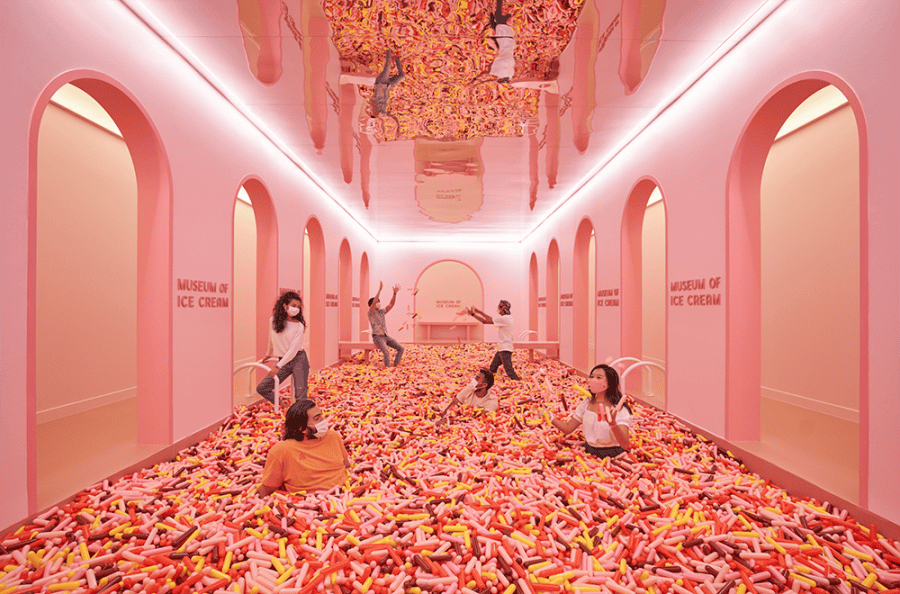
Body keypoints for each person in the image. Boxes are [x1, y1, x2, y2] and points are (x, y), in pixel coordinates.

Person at [258, 400, 351, 496]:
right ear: (302, 429)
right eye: (317, 418)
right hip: (307, 503)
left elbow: (346, 464)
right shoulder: (281, 451)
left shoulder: (333, 436)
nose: (323, 420)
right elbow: (268, 488)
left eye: (321, 415)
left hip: (345, 494)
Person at [547, 364, 632, 457]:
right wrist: (550, 416)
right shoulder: (586, 403)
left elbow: (625, 445)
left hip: (613, 455)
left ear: (609, 383)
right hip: (589, 452)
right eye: (592, 376)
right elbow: (568, 428)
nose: (593, 380)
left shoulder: (619, 409)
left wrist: (613, 424)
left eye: (599, 377)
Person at [257, 291, 309, 403]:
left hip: (299, 359)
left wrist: (278, 366)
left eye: (298, 307)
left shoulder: (299, 325)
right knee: (262, 388)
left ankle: (300, 417)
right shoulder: (273, 320)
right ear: (285, 305)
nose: (296, 309)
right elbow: (271, 339)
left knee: (300, 395)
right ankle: (282, 405)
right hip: (283, 360)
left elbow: (293, 350)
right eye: (293, 306)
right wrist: (268, 354)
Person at [466, 300, 521, 380]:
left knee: (509, 370)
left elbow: (485, 321)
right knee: (492, 367)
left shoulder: (505, 319)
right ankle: (490, 377)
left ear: (503, 309)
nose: (498, 309)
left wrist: (472, 314)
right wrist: (479, 312)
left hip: (505, 348)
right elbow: (490, 319)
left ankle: (517, 381)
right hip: (502, 348)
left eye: (499, 307)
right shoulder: (505, 318)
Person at [471, 0, 516, 85]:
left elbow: (488, 77)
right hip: (504, 40)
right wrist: (474, 81)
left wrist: (475, 81)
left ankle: (498, 15)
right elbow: (486, 75)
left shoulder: (508, 73)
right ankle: (499, 5)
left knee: (494, 23)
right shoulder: (499, 71)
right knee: (497, 19)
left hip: (508, 41)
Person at [368, 281, 405, 367]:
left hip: (386, 336)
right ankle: (388, 367)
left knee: (401, 348)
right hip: (377, 337)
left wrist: (394, 294)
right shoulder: (371, 312)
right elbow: (373, 302)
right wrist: (380, 290)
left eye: (379, 301)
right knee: (386, 351)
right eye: (377, 302)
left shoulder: (381, 311)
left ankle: (396, 364)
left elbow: (391, 304)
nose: (378, 303)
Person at [371, 49, 405, 118]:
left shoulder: (375, 104)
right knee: (402, 76)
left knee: (388, 65)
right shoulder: (382, 110)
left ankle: (389, 49)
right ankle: (397, 59)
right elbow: (388, 114)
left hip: (381, 82)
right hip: (388, 85)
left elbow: (372, 101)